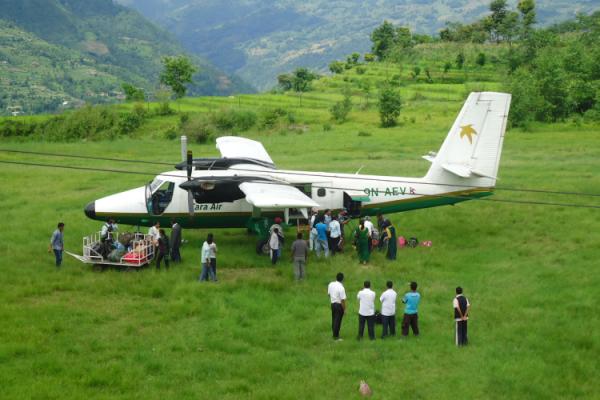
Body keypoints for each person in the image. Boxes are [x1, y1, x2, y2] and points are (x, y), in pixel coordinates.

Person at [327, 272, 346, 340]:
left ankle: (334, 333)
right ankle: (336, 336)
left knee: (334, 319)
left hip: (332, 304)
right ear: (342, 279)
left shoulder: (331, 284)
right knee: (338, 321)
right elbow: (343, 300)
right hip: (339, 305)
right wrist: (344, 309)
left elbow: (329, 294)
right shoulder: (341, 288)